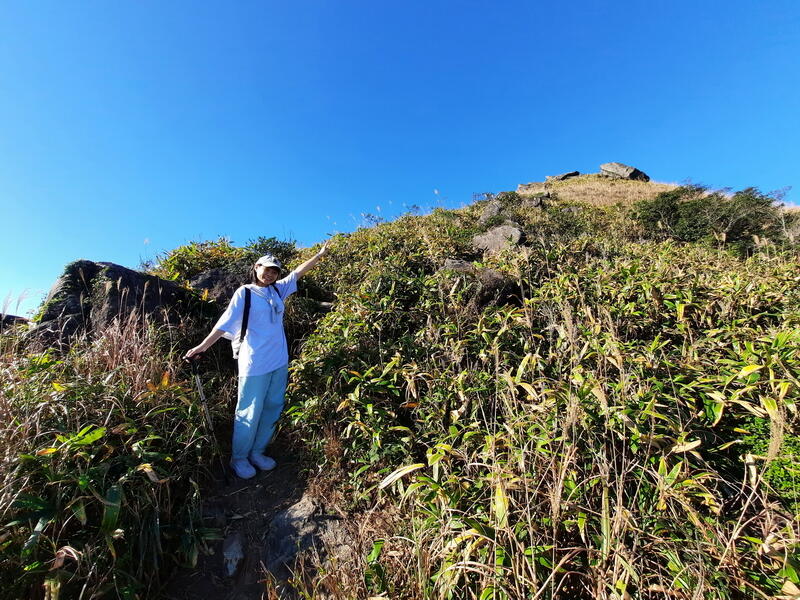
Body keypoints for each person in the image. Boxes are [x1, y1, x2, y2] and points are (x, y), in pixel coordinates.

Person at [184, 242, 328, 479]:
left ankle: (257, 452)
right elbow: (224, 322)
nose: (270, 274)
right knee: (249, 410)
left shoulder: (277, 291)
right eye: (266, 269)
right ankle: (239, 458)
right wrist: (202, 347)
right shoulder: (246, 292)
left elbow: (298, 273)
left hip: (279, 361)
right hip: (254, 363)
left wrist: (319, 255)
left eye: (274, 271)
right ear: (256, 267)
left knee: (273, 407)